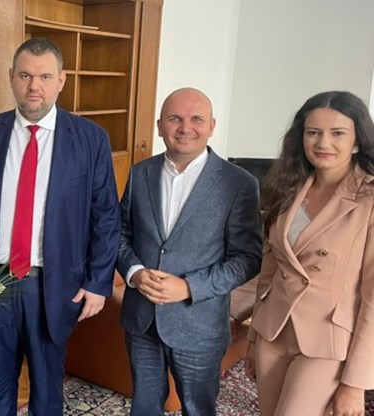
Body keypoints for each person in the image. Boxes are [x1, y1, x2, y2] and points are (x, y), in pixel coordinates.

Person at [0, 37, 120, 415]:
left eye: (45, 76)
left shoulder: (91, 138)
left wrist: (98, 283)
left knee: (47, 391)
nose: (35, 86)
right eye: (25, 76)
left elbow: (106, 216)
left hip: (54, 284)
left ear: (61, 80)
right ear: (11, 78)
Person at [117, 87, 262, 416]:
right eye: (174, 118)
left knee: (198, 409)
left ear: (211, 126)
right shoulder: (141, 173)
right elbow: (121, 234)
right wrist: (134, 273)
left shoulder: (238, 183)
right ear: (159, 126)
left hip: (199, 324)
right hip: (142, 320)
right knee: (143, 407)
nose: (185, 127)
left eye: (196, 119)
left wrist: (189, 286)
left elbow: (248, 258)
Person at [244, 91, 374, 416]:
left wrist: (356, 383)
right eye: (313, 132)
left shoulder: (369, 199)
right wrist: (254, 338)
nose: (323, 142)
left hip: (328, 341)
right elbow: (270, 270)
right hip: (274, 331)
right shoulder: (286, 187)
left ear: (357, 139)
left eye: (337, 133)